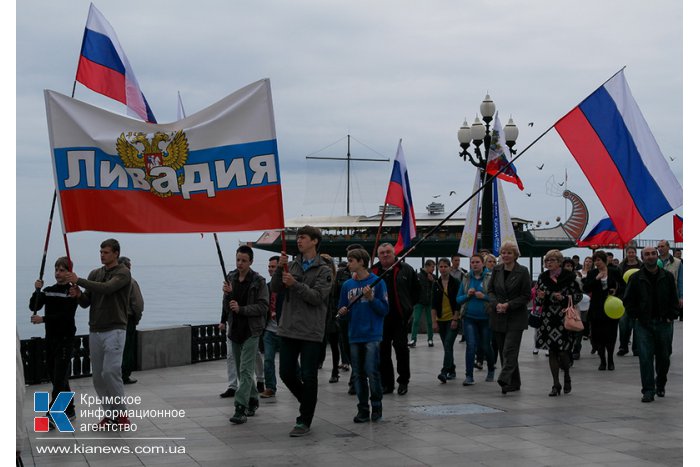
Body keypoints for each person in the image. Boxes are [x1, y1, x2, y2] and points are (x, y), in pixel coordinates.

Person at [271, 225, 333, 437]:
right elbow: (275, 289)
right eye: (297, 237)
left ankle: (304, 419)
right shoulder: (292, 264)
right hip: (288, 327)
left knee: (309, 375)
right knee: (286, 372)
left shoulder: (324, 270)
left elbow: (317, 297)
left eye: (303, 237)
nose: (299, 241)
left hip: (311, 330)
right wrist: (280, 269)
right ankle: (307, 400)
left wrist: (295, 284)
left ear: (315, 241)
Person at [67, 239, 132, 428]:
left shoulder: (123, 272)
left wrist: (78, 279)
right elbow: (87, 301)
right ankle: (109, 414)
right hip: (95, 329)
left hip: (115, 329)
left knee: (111, 371)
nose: (102, 254)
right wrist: (78, 294)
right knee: (98, 376)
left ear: (116, 253)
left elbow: (107, 288)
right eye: (101, 251)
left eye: (106, 252)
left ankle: (121, 414)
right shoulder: (95, 273)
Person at [337, 248, 389, 423]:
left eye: (351, 260)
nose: (348, 264)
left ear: (361, 262)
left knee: (372, 371)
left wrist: (371, 298)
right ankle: (362, 408)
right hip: (354, 334)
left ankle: (377, 406)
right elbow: (342, 307)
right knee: (358, 373)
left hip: (372, 334)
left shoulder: (377, 282)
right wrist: (343, 311)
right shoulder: (347, 285)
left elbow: (384, 310)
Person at [623, 247, 680, 402]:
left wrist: (671, 315)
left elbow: (674, 299)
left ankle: (660, 383)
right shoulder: (636, 278)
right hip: (643, 324)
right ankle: (648, 390)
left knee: (664, 357)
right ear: (643, 257)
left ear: (657, 256)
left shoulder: (667, 276)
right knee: (645, 358)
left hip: (664, 323)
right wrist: (636, 316)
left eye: (653, 254)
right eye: (647, 254)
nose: (650, 256)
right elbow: (628, 300)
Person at [29, 257, 79, 426]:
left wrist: (43, 319)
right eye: (56, 270)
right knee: (57, 376)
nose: (58, 273)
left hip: (66, 339)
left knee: (59, 378)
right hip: (50, 339)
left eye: (62, 270)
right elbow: (32, 306)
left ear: (69, 272)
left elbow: (65, 317)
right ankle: (70, 409)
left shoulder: (72, 292)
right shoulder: (49, 290)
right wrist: (37, 290)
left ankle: (52, 413)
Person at [224, 245, 269, 425]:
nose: (240, 263)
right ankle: (253, 399)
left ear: (251, 261)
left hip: (251, 330)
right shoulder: (231, 277)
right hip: (235, 330)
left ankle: (240, 407)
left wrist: (241, 309)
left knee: (245, 369)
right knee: (242, 370)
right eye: (238, 260)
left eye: (243, 260)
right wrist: (227, 296)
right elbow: (227, 305)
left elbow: (263, 307)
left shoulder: (259, 281)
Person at [372, 243, 419, 396]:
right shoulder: (373, 271)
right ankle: (387, 383)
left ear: (394, 253)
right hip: (380, 318)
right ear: (378, 255)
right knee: (383, 351)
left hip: (399, 317)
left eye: (388, 252)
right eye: (382, 253)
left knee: (401, 349)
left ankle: (403, 381)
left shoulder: (406, 269)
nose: (385, 255)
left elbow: (415, 291)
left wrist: (408, 308)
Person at [535, 250, 582, 396]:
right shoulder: (542, 278)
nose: (549, 263)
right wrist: (541, 297)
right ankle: (556, 384)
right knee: (552, 350)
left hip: (564, 316)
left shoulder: (570, 277)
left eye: (552, 260)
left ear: (559, 262)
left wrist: (564, 297)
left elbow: (578, 295)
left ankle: (567, 374)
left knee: (563, 350)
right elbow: (537, 298)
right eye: (547, 260)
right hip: (548, 317)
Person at [486, 241, 530, 394]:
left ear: (515, 255)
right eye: (503, 252)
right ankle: (514, 382)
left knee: (509, 349)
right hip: (498, 315)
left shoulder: (523, 271)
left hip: (516, 316)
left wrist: (509, 305)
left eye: (509, 253)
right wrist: (496, 304)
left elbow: (526, 296)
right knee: (503, 349)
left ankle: (504, 377)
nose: (505, 255)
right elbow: (490, 290)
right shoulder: (497, 269)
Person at [456, 254, 495, 385]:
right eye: (472, 262)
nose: (475, 264)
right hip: (469, 317)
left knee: (485, 346)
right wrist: (467, 295)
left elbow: (495, 298)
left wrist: (483, 296)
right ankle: (469, 375)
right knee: (471, 345)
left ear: (483, 264)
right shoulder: (467, 278)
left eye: (477, 262)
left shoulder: (490, 277)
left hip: (486, 317)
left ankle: (491, 369)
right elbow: (458, 299)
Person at [583, 251, 625, 371]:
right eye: (595, 260)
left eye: (599, 260)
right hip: (597, 308)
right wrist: (596, 279)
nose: (597, 263)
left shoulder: (614, 271)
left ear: (604, 260)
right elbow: (586, 288)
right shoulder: (592, 273)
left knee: (610, 335)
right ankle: (602, 360)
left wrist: (616, 292)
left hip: (611, 307)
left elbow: (623, 286)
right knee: (598, 336)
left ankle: (610, 359)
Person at [431, 258, 460, 383]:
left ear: (449, 267)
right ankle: (452, 369)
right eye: (441, 267)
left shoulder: (456, 282)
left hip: (452, 318)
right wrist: (434, 321)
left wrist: (455, 318)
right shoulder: (436, 283)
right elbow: (433, 305)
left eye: (445, 266)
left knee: (448, 344)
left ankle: (444, 371)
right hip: (441, 319)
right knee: (447, 346)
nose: (443, 269)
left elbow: (458, 302)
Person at [117, 257, 144, 385]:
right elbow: (138, 304)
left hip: (114, 319)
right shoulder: (131, 283)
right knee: (127, 348)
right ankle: (124, 375)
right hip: (128, 319)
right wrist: (137, 318)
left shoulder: (112, 282)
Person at [260, 256, 282, 398]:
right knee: (268, 359)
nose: (270, 269)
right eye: (269, 267)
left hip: (284, 330)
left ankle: (299, 381)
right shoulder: (266, 287)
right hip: (269, 329)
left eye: (273, 267)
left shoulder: (286, 287)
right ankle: (270, 387)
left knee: (289, 361)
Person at [319, 254, 342, 383]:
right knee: (320, 344)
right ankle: (319, 362)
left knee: (334, 345)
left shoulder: (335, 281)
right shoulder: (320, 280)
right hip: (320, 316)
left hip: (332, 316)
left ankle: (335, 371)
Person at [618, 247, 642, 357]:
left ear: (635, 253)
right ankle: (623, 347)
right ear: (626, 254)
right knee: (623, 324)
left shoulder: (641, 266)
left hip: (638, 299)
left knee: (637, 325)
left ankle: (636, 348)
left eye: (633, 252)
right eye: (629, 252)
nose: (631, 254)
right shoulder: (621, 266)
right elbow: (618, 281)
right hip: (624, 298)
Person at [409, 260, 435, 348]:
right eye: (432, 267)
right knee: (416, 320)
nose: (434, 269)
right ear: (427, 267)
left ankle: (430, 339)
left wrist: (432, 281)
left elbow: (437, 289)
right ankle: (413, 339)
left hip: (429, 302)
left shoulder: (433, 277)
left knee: (430, 322)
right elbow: (413, 288)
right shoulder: (418, 276)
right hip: (419, 302)